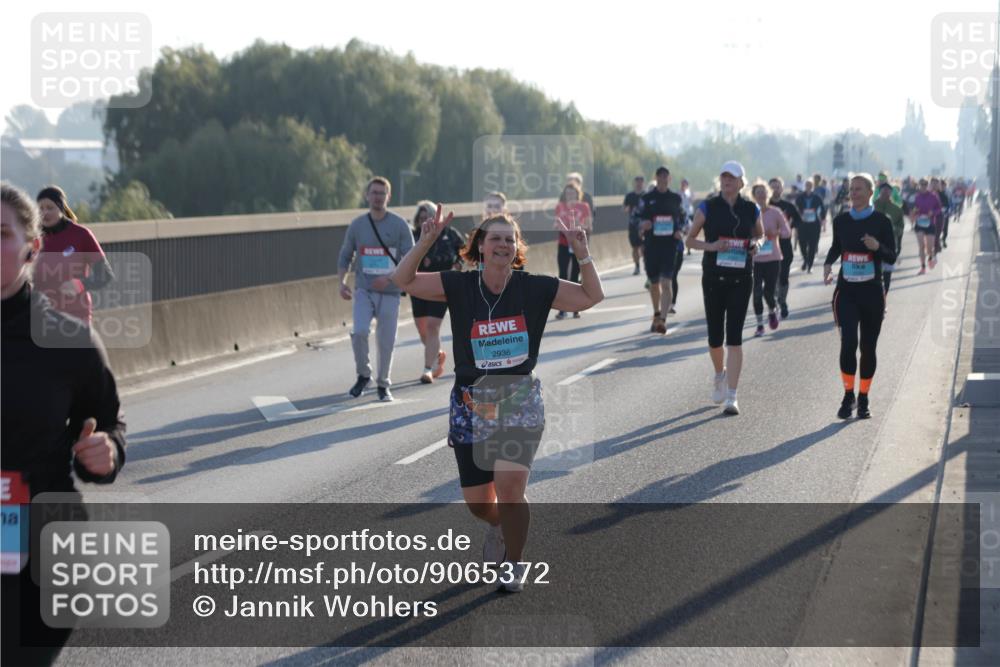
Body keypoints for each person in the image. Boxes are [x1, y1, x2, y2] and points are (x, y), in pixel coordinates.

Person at [391, 207, 604, 592]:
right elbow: (402, 279)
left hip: (518, 399)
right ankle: (497, 527)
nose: (503, 245)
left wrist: (581, 253)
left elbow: (591, 295)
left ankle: (515, 564)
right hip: (470, 402)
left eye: (510, 239)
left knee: (510, 488)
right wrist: (425, 241)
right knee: (478, 503)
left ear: (517, 248)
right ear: (480, 247)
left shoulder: (534, 287)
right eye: (495, 239)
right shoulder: (458, 285)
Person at [2, 182, 127, 667]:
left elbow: (109, 421)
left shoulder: (69, 342)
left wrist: (107, 452)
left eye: (0, 234)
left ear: (32, 249)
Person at [686, 161, 763, 415]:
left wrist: (756, 244)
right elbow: (690, 239)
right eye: (724, 177)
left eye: (732, 178)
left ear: (742, 182)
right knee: (715, 337)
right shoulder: (708, 207)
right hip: (714, 278)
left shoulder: (751, 209)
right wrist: (712, 246)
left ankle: (732, 395)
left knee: (735, 338)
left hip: (741, 278)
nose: (727, 181)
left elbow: (760, 235)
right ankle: (720, 373)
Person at [823, 173, 896, 419]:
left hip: (873, 292)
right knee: (848, 344)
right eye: (851, 189)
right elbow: (836, 246)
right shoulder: (841, 220)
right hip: (847, 293)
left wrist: (877, 247)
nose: (853, 193)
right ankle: (848, 396)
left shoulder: (881, 222)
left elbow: (892, 256)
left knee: (868, 347)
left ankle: (864, 398)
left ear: (870, 192)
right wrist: (827, 264)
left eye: (859, 189)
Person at [337, 176, 415, 402]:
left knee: (386, 340)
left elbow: (410, 258)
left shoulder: (399, 225)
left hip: (390, 292)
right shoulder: (358, 225)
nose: (378, 197)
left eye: (382, 193)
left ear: (388, 197)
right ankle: (364, 375)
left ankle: (383, 384)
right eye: (374, 193)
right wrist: (342, 282)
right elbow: (346, 254)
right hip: (364, 289)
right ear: (367, 195)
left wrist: (390, 277)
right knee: (360, 331)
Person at [33, 185, 114, 326]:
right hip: (41, 316)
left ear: (61, 208)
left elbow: (105, 274)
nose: (45, 213)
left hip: (76, 316)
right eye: (41, 208)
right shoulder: (31, 238)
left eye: (50, 208)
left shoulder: (81, 235)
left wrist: (81, 284)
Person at [411, 200, 465, 384]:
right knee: (422, 329)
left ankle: (429, 369)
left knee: (433, 326)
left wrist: (459, 264)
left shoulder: (449, 234)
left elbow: (465, 250)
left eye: (428, 216)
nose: (425, 220)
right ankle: (437, 354)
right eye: (421, 217)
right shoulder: (414, 235)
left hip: (442, 283)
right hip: (417, 284)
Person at [638, 166, 686, 334]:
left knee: (666, 282)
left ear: (669, 179)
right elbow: (636, 217)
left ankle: (663, 321)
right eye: (660, 177)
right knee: (654, 283)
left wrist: (681, 230)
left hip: (670, 246)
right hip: (651, 245)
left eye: (666, 177)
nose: (663, 180)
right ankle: (656, 314)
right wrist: (642, 224)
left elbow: (683, 218)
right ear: (656, 178)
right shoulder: (647, 198)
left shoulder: (675, 198)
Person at [750, 182, 788, 336]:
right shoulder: (750, 212)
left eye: (763, 192)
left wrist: (776, 232)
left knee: (769, 292)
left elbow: (787, 232)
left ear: (768, 194)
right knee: (757, 292)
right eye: (758, 192)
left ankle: (772, 310)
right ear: (753, 195)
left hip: (773, 259)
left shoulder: (776, 212)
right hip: (756, 259)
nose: (761, 195)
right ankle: (760, 325)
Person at [554, 181, 592, 320]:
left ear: (578, 194)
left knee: (575, 275)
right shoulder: (560, 206)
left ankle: (576, 308)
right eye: (568, 193)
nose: (570, 195)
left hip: (578, 244)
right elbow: (558, 223)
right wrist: (567, 234)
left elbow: (588, 225)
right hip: (564, 243)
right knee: (562, 275)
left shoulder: (584, 206)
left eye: (573, 193)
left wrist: (577, 230)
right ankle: (562, 309)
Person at [767, 177, 799, 319]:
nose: (775, 189)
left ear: (782, 188)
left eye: (778, 186)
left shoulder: (788, 206)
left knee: (783, 276)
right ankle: (773, 299)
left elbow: (798, 220)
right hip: (767, 246)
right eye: (772, 187)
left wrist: (788, 228)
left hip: (785, 246)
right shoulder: (764, 205)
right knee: (771, 277)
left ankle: (783, 301)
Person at [874, 182, 905, 294]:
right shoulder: (872, 207)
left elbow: (901, 228)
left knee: (887, 274)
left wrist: (892, 228)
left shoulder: (897, 210)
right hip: (873, 245)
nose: (885, 195)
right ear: (879, 193)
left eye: (887, 192)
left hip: (889, 245)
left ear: (891, 193)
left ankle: (884, 296)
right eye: (883, 192)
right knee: (875, 274)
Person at [911, 178, 941, 274]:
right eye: (921, 185)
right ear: (919, 186)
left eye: (925, 185)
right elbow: (913, 209)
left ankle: (931, 257)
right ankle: (923, 267)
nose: (923, 186)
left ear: (927, 186)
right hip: (919, 223)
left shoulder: (933, 196)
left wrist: (933, 212)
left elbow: (939, 209)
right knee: (921, 246)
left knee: (929, 248)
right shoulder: (917, 197)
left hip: (930, 223)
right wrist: (915, 213)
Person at [795, 180, 826, 273]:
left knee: (812, 245)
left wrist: (823, 219)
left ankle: (810, 266)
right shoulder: (800, 197)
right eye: (807, 185)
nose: (808, 187)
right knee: (802, 244)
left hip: (814, 224)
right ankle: (805, 260)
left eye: (810, 185)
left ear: (812, 186)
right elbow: (795, 208)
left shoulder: (817, 197)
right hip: (802, 224)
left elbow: (822, 209)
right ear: (805, 186)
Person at [624, 176, 646, 275]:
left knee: (644, 247)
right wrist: (627, 209)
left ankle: (646, 264)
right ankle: (637, 266)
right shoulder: (629, 196)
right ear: (634, 183)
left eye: (641, 182)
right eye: (637, 182)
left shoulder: (646, 195)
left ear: (643, 183)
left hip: (644, 225)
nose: (639, 184)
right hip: (633, 225)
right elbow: (624, 208)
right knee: (635, 248)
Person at [935, 178, 952, 249]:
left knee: (945, 228)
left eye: (943, 185)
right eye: (940, 185)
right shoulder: (932, 194)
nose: (942, 186)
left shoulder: (947, 193)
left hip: (944, 214)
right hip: (935, 216)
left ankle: (944, 240)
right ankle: (936, 242)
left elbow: (949, 203)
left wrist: (948, 211)